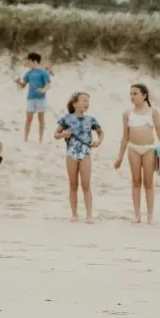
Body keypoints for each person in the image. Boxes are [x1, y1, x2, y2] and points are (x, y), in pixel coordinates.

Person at [113, 83, 160, 224]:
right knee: (136, 181)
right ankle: (137, 215)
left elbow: (159, 131)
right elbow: (125, 136)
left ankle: (150, 215)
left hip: (149, 149)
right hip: (133, 149)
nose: (132, 96)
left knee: (148, 182)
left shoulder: (153, 112)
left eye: (135, 93)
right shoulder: (127, 114)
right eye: (131, 94)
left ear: (144, 95)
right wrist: (119, 157)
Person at [55, 91, 104, 223]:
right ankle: (74, 214)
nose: (86, 104)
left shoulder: (91, 119)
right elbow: (56, 135)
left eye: (88, 101)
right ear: (75, 103)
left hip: (85, 153)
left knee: (86, 184)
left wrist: (98, 142)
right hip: (71, 153)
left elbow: (100, 132)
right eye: (84, 101)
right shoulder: (66, 118)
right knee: (73, 184)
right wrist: (64, 134)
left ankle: (89, 215)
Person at [13, 51, 52, 142]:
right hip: (30, 98)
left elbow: (48, 85)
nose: (27, 63)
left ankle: (41, 139)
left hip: (41, 98)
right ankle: (25, 138)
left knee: (40, 118)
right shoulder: (29, 73)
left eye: (29, 61)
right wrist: (18, 81)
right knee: (28, 119)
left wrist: (43, 90)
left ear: (34, 61)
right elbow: (23, 85)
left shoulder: (43, 72)